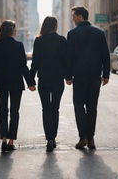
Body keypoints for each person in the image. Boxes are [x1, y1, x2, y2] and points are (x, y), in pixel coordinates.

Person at [66, 6, 110, 150]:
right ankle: (90, 139)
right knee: (92, 107)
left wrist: (68, 76)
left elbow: (69, 56)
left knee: (79, 106)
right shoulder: (98, 32)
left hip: (79, 77)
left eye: (74, 16)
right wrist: (106, 74)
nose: (72, 19)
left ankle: (83, 137)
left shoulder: (72, 34)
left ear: (80, 16)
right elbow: (105, 54)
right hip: (94, 76)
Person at [0, 20, 36, 153]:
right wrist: (31, 83)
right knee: (14, 112)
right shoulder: (18, 45)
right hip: (16, 83)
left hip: (1, 83)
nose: (16, 31)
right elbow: (23, 66)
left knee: (3, 110)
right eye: (15, 29)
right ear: (12, 31)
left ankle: (4, 139)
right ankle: (11, 141)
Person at [30, 17, 67, 152]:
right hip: (58, 80)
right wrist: (68, 77)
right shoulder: (62, 40)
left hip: (44, 79)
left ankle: (49, 138)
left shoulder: (39, 41)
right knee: (55, 109)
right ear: (55, 26)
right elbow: (65, 61)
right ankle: (53, 138)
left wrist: (30, 80)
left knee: (46, 109)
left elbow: (35, 62)